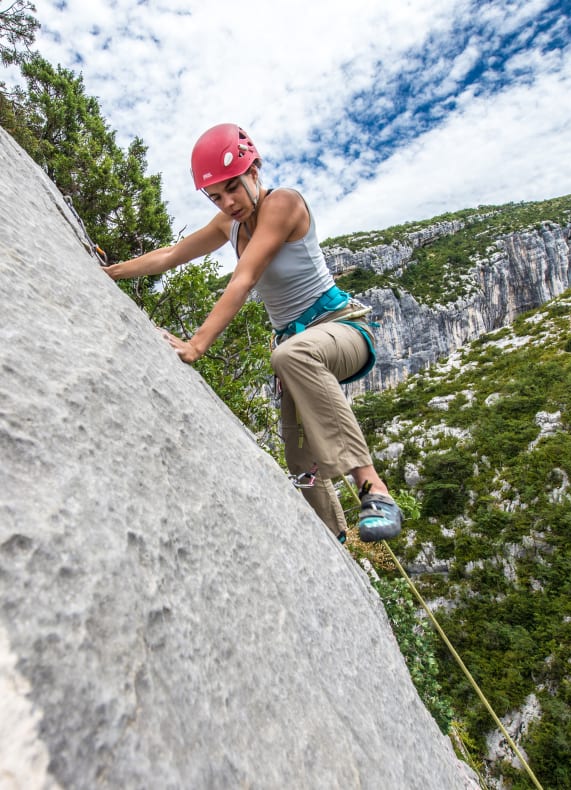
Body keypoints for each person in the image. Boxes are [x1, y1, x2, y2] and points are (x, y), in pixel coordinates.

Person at [104, 122, 402, 544]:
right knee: (301, 463)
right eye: (216, 197)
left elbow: (243, 280)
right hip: (298, 347)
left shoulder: (283, 204)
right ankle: (334, 543)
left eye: (234, 188)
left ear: (255, 171)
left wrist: (196, 345)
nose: (228, 203)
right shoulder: (229, 224)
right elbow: (172, 254)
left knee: (290, 356)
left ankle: (376, 492)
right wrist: (112, 272)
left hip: (342, 329)